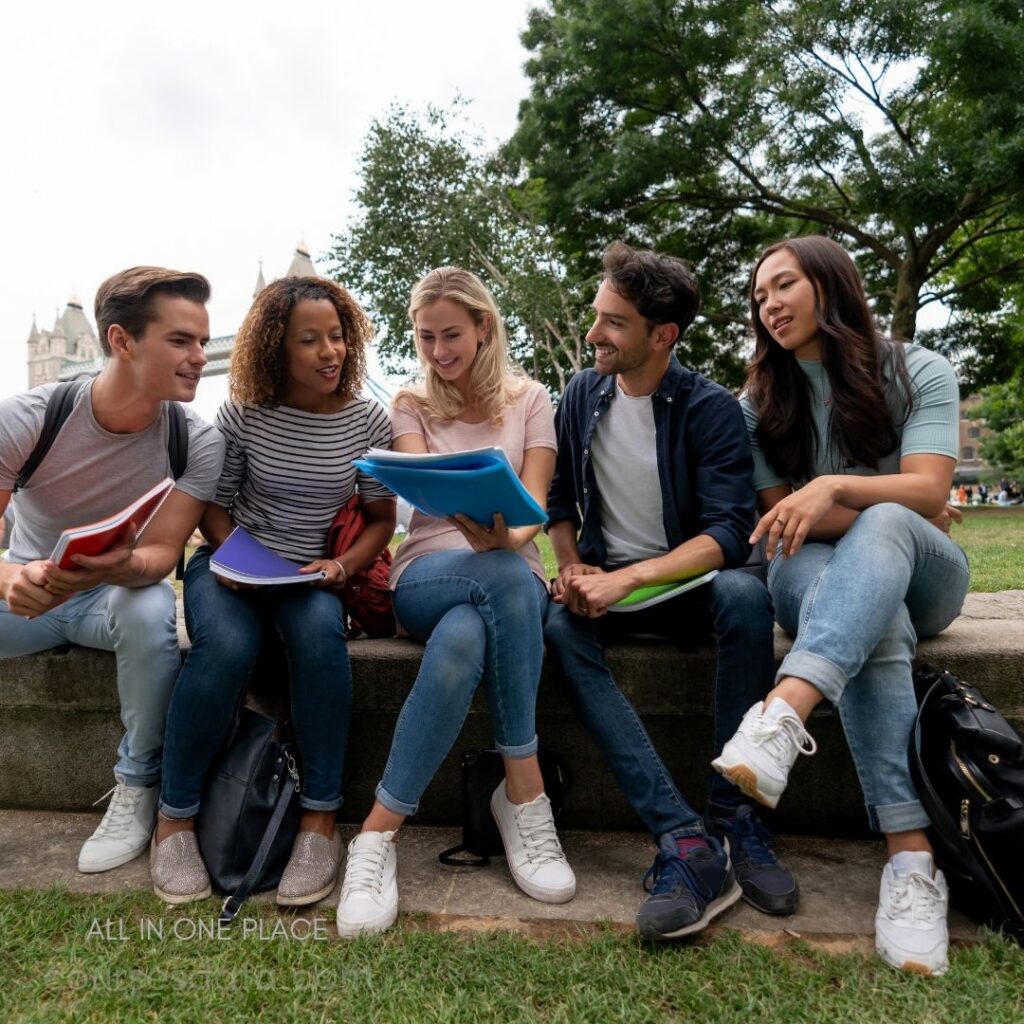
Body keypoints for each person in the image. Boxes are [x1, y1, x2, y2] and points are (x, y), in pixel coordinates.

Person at [713, 235, 969, 976]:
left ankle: (784, 709)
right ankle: (911, 863)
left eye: (783, 285)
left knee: (888, 530)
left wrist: (837, 488)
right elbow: (777, 522)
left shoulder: (918, 369)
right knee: (873, 606)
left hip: (926, 576)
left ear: (830, 283)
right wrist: (880, 502)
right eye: (759, 298)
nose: (769, 306)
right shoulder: (758, 403)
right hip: (805, 573)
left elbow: (927, 490)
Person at [543, 242, 793, 942]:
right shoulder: (580, 395)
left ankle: (735, 819)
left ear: (663, 336)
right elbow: (560, 499)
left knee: (748, 600)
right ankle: (684, 838)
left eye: (612, 322)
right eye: (598, 317)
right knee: (560, 629)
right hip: (610, 585)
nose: (595, 334)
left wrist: (629, 576)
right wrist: (571, 567)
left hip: (688, 583)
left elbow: (726, 533)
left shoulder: (709, 408)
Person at [335, 266, 575, 937]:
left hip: (507, 565)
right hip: (428, 573)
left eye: (451, 335)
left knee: (473, 627)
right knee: (493, 582)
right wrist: (469, 522)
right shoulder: (409, 403)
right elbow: (424, 494)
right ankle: (525, 794)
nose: (439, 351)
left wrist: (505, 534)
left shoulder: (531, 400)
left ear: (484, 328)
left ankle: (377, 837)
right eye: (425, 337)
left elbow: (531, 506)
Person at [150, 277, 396, 906]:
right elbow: (212, 507)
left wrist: (339, 570)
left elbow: (379, 519)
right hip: (231, 564)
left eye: (337, 336)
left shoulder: (369, 419)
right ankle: (174, 817)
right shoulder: (242, 414)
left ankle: (319, 818)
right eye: (308, 340)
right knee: (225, 647)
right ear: (274, 349)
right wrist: (241, 560)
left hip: (314, 574)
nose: (329, 351)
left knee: (318, 639)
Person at [0, 267, 225, 873]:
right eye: (181, 341)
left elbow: (161, 556)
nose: (200, 357)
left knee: (151, 602)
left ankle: (136, 786)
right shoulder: (26, 419)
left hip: (109, 602)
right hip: (27, 594)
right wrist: (8, 579)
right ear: (121, 341)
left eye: (204, 342)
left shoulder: (198, 443)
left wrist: (123, 562)